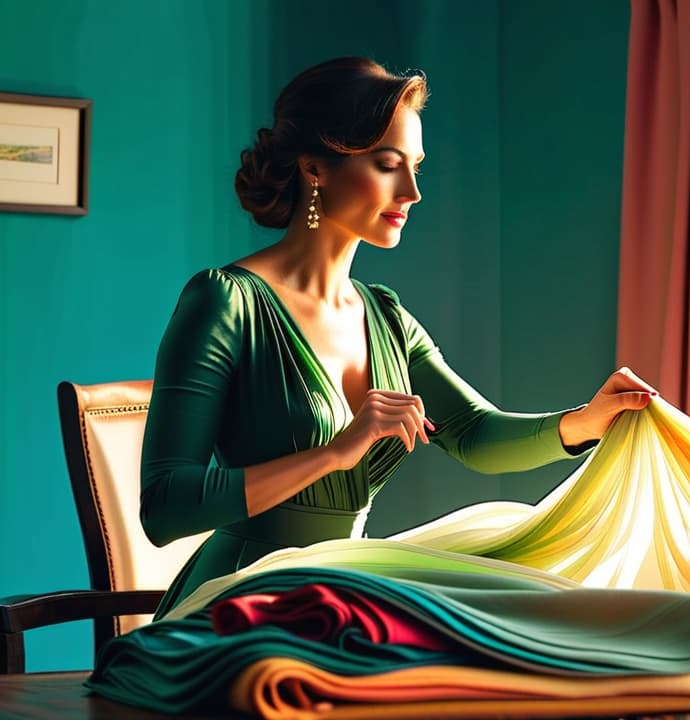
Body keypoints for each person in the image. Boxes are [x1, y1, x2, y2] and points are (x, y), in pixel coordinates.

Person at [139, 56, 656, 617]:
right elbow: (164, 507)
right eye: (388, 165)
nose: (411, 191)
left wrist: (586, 421)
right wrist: (335, 452)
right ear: (315, 168)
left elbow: (474, 433)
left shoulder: (384, 314)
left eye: (416, 167)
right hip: (239, 602)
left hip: (343, 589)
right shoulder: (224, 301)